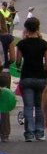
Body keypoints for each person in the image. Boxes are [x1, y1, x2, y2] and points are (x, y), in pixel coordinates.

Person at [15, 16, 47, 142]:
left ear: (26, 29)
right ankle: (40, 132)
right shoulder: (44, 44)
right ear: (38, 28)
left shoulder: (21, 44)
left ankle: (29, 133)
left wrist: (19, 64)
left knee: (28, 107)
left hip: (26, 77)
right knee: (40, 107)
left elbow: (18, 62)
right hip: (40, 77)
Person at [0, 15, 15, 143]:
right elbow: (13, 58)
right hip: (4, 72)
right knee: (4, 104)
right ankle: (4, 134)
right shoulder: (8, 38)